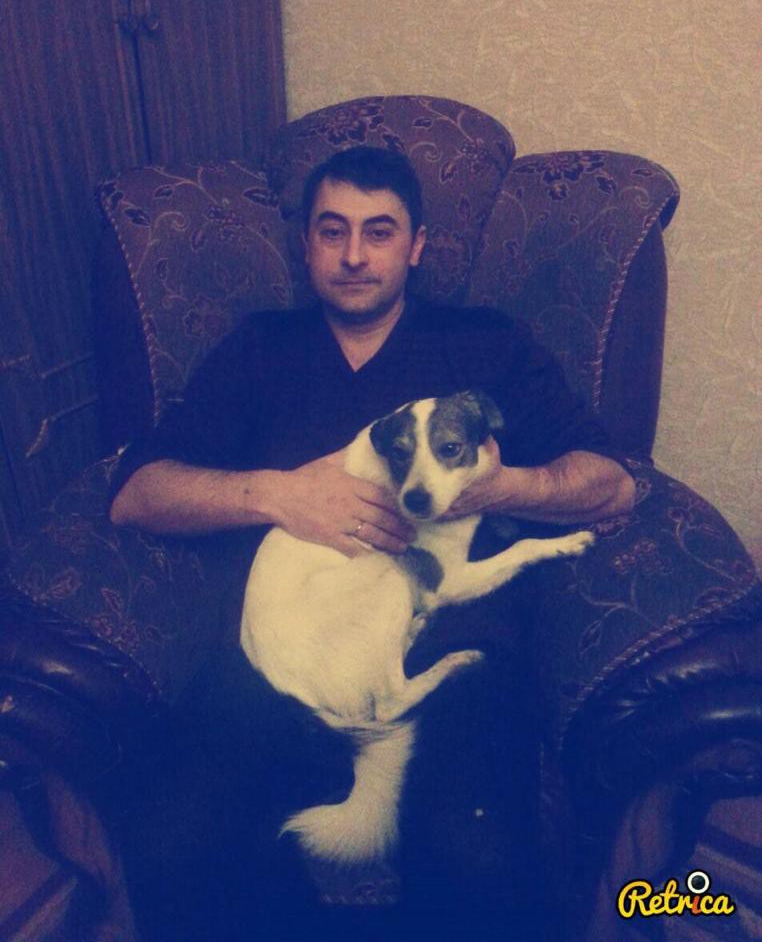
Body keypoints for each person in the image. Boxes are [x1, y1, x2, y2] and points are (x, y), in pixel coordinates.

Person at [110, 146, 634, 939]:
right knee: (173, 847)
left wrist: (498, 487)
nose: (354, 254)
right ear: (307, 245)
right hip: (273, 659)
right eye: (334, 231)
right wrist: (278, 493)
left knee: (476, 858)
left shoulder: (483, 344)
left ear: (416, 245)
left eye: (379, 231)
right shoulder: (261, 350)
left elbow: (614, 484)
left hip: (453, 654)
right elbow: (136, 494)